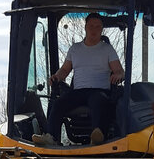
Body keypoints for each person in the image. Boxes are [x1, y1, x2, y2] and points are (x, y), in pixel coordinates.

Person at [34, 13, 124, 146]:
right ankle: (51, 137)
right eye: (91, 26)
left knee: (98, 101)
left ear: (101, 29)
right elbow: (65, 70)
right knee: (59, 103)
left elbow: (119, 71)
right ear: (86, 27)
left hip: (99, 90)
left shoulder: (107, 49)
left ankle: (98, 135)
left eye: (98, 27)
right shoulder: (75, 49)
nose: (94, 29)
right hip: (78, 91)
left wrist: (118, 75)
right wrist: (57, 76)